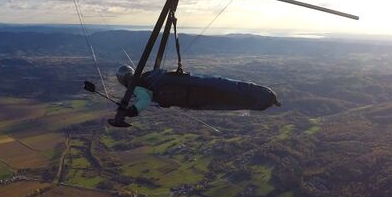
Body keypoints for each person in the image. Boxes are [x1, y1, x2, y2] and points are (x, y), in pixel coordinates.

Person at [110, 64, 279, 127]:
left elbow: (145, 99)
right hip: (193, 86)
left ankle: (264, 100)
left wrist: (131, 111)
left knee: (229, 99)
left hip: (193, 98)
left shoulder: (138, 85)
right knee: (229, 89)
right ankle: (265, 97)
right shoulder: (147, 77)